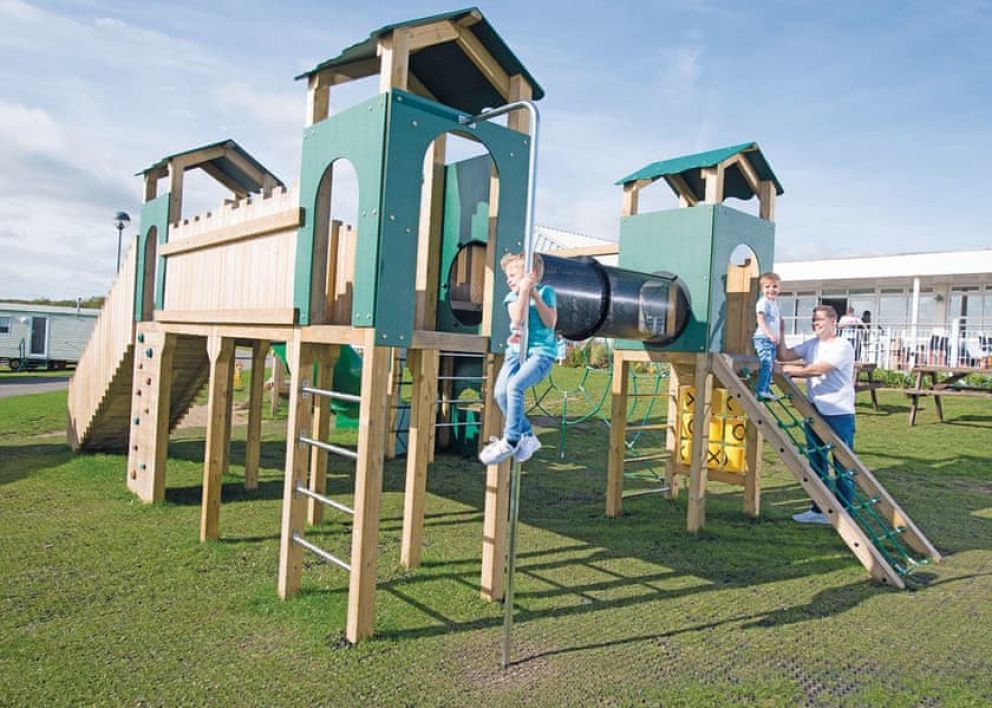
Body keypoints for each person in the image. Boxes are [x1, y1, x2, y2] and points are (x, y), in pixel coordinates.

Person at [777, 305, 856, 525]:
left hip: (838, 412)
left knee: (842, 464)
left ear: (833, 321)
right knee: (817, 462)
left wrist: (787, 370)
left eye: (820, 319)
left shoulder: (842, 346)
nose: (816, 323)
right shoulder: (812, 344)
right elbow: (785, 354)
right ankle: (819, 509)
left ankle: (845, 512)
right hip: (814, 410)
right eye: (814, 320)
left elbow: (818, 369)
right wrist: (780, 332)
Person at [479, 253, 557, 466]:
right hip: (515, 353)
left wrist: (534, 295)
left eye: (513, 274)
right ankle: (528, 436)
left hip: (540, 353)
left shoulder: (547, 292)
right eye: (507, 275)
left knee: (515, 386)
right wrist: (523, 291)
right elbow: (518, 319)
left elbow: (550, 322)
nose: (508, 279)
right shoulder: (511, 297)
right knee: (500, 392)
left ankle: (511, 439)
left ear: (530, 274)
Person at [752, 272, 783, 400]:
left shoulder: (774, 303)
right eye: (767, 287)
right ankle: (761, 390)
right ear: (762, 289)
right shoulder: (763, 302)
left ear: (779, 288)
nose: (771, 289)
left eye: (775, 286)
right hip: (763, 338)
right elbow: (760, 320)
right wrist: (770, 335)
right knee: (767, 363)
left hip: (770, 340)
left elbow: (776, 322)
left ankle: (765, 388)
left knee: (770, 364)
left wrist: (778, 336)